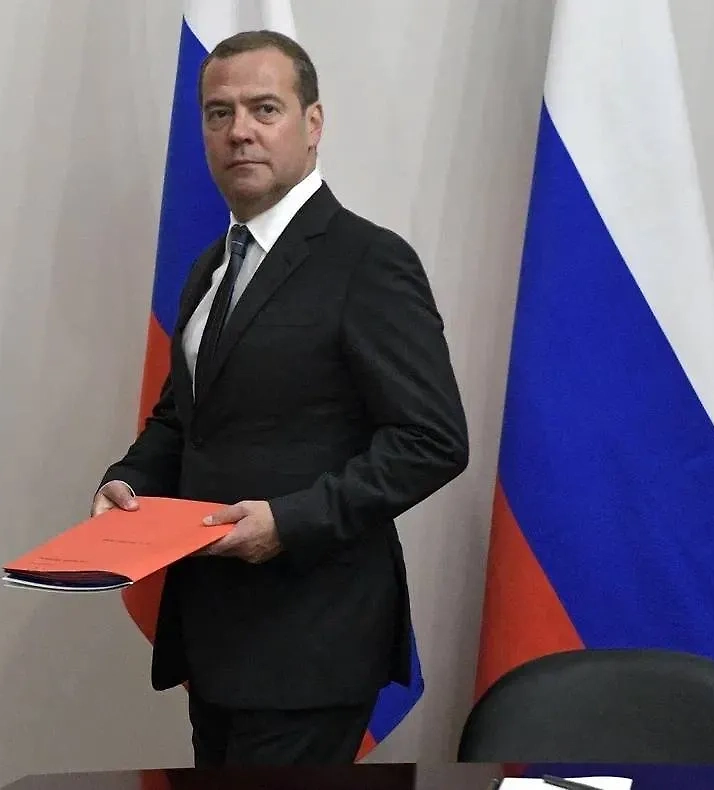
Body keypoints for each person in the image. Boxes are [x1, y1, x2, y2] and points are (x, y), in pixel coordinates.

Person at [92, 29, 469, 767]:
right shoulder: (211, 266)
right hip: (215, 633)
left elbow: (431, 441)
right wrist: (128, 481)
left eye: (264, 108)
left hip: (312, 637)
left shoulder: (369, 260)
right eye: (219, 113)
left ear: (313, 123)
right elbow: (184, 418)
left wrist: (290, 523)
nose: (240, 131)